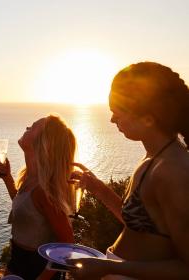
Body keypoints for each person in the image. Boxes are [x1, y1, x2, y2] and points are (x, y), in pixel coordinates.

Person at [68, 62, 189, 279]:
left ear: (148, 118)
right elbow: (143, 227)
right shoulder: (155, 157)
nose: (113, 119)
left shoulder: (171, 171)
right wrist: (98, 188)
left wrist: (109, 267)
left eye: (118, 112)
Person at [0, 115, 77, 280]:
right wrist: (7, 178)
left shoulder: (44, 191)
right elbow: (27, 208)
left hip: (38, 267)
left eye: (32, 127)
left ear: (42, 142)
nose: (27, 127)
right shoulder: (29, 178)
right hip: (17, 259)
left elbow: (67, 243)